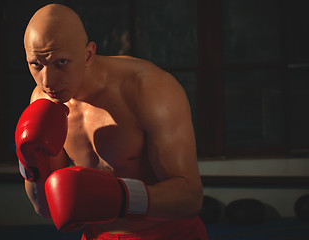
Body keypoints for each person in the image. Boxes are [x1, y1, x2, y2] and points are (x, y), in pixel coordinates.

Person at [17, 3, 207, 239]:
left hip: (169, 234)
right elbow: (45, 209)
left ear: (88, 54)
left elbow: (190, 198)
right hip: (99, 235)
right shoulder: (42, 101)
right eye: (36, 64)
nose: (48, 81)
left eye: (61, 63)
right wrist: (29, 163)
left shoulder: (148, 88)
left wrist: (121, 197)